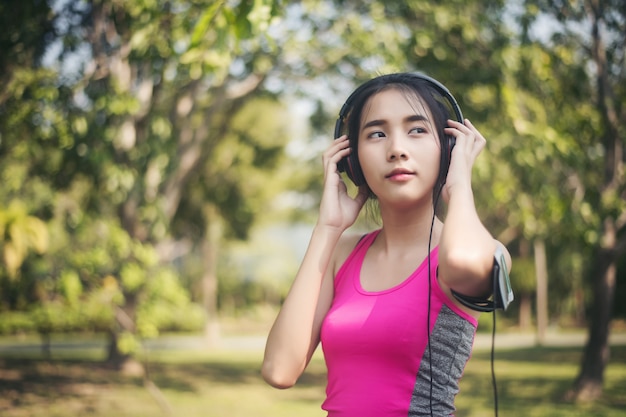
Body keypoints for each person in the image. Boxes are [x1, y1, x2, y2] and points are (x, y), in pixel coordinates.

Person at [261, 72, 512, 416]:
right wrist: (327, 228)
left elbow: (465, 263)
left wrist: (459, 187)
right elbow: (279, 369)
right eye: (377, 134)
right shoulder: (340, 253)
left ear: (449, 148)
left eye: (417, 130)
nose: (396, 149)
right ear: (353, 160)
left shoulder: (484, 250)